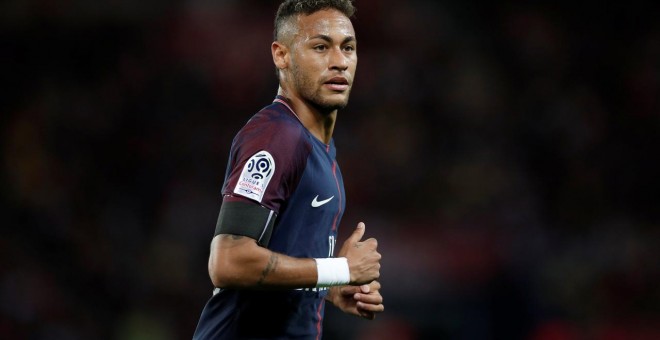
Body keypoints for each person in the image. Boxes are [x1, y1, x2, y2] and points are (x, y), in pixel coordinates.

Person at [192, 0, 384, 339]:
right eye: (321, 47)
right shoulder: (277, 135)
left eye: (348, 48)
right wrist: (340, 268)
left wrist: (332, 286)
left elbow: (283, 258)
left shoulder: (319, 147)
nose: (339, 62)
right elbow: (228, 262)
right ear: (282, 55)